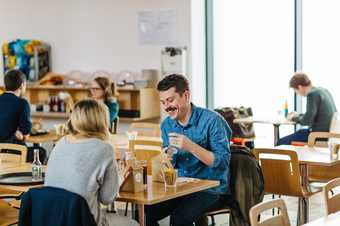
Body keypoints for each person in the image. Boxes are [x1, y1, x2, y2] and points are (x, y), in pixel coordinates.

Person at [145, 74, 232, 226]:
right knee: (146, 212)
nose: (166, 107)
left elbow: (222, 162)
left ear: (186, 95)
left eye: (170, 100)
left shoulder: (212, 120)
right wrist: (167, 159)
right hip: (181, 186)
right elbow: (170, 163)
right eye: (163, 102)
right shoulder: (167, 125)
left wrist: (191, 146)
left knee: (179, 218)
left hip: (210, 188)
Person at [45, 99, 138, 226]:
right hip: (84, 221)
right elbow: (107, 199)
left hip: (53, 219)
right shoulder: (105, 149)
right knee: (133, 224)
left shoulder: (60, 143)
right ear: (102, 121)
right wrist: (120, 177)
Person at [277, 72, 337, 145]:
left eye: (296, 91)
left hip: (317, 136)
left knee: (281, 142)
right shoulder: (323, 91)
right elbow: (312, 116)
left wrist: (293, 118)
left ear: (299, 87)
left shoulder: (312, 95)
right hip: (328, 134)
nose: (298, 94)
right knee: (300, 132)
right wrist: (298, 116)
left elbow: (306, 121)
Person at [0, 69, 31, 144]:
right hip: (13, 151)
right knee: (42, 152)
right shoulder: (22, 103)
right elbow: (25, 134)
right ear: (22, 85)